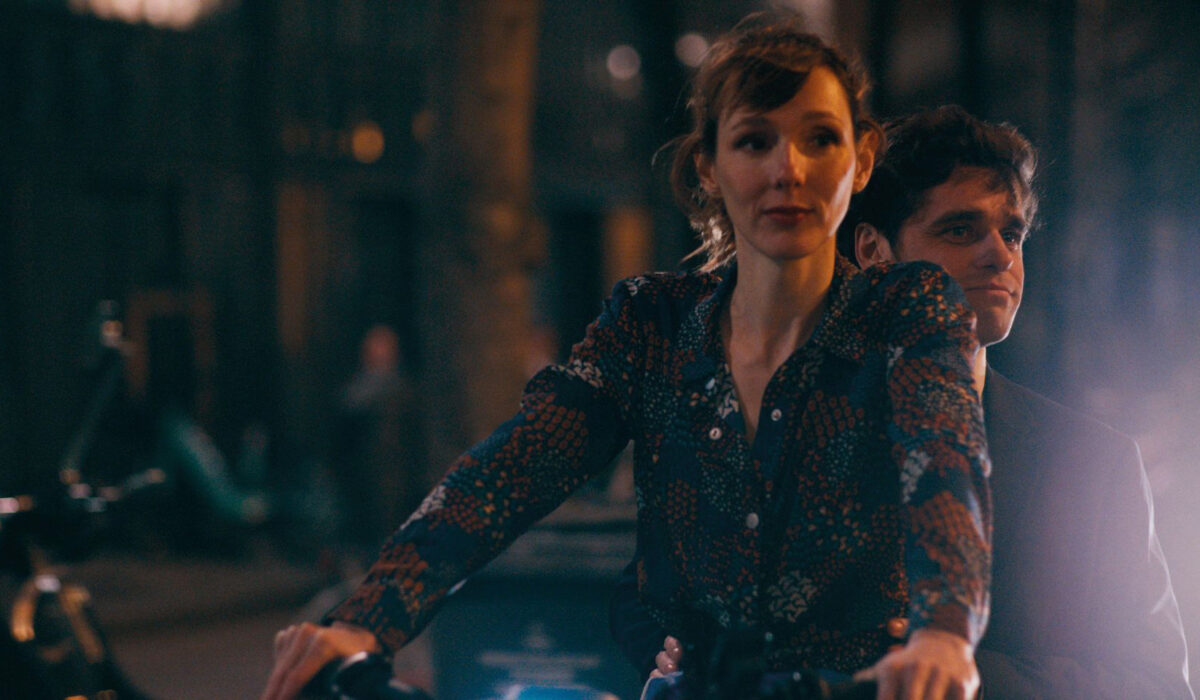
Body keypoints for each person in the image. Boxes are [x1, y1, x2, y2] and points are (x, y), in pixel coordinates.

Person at [263, 15, 992, 700]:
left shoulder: (908, 308)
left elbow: (943, 459)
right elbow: (511, 470)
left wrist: (944, 635)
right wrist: (364, 622)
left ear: (861, 160)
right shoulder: (650, 324)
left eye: (820, 138)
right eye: (753, 141)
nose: (788, 170)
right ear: (708, 166)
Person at [615, 105, 1193, 698]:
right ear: (874, 250)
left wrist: (946, 674)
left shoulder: (1095, 463)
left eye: (1012, 234)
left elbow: (1158, 687)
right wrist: (673, 647)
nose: (999, 255)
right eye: (960, 230)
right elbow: (647, 592)